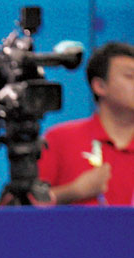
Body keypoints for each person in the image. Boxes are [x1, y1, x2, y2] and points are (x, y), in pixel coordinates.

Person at [38, 41, 134, 206]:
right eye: (130, 76)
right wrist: (74, 191)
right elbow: (18, 209)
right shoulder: (60, 139)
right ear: (100, 86)